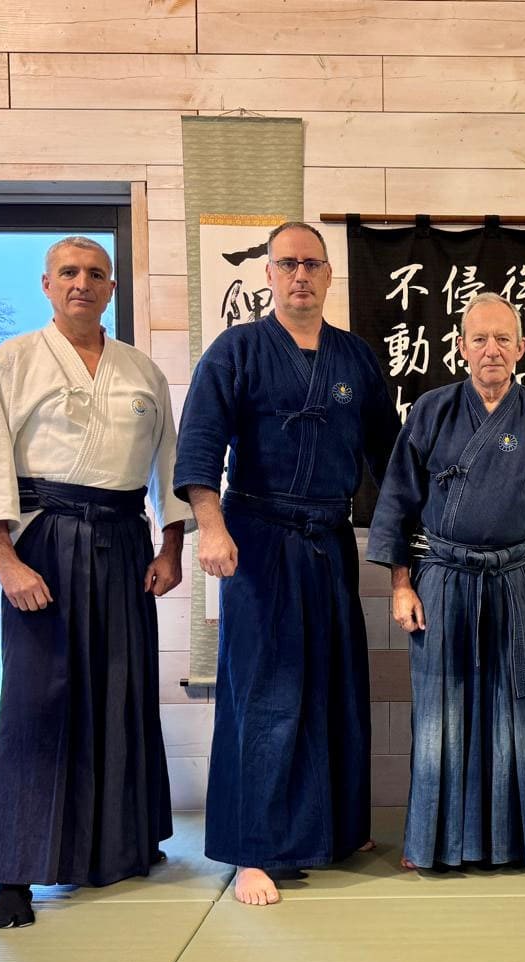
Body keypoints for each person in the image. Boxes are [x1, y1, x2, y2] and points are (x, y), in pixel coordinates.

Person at [0, 236, 190, 928]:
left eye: (95, 274)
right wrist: (4, 561)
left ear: (112, 288)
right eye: (69, 272)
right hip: (45, 538)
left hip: (124, 539)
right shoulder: (13, 360)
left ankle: (124, 843)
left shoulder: (140, 370)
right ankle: (16, 870)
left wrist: (171, 545)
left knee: (123, 689)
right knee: (38, 700)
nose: (82, 283)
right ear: (47, 284)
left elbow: (170, 464)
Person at [174, 221, 399, 906]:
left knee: (335, 684)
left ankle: (334, 830)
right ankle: (253, 850)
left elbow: (390, 460)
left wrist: (408, 548)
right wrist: (211, 529)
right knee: (264, 691)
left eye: (312, 264)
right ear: (268, 275)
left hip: (329, 536)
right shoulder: (237, 350)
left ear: (328, 275)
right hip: (258, 536)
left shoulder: (355, 358)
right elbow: (200, 444)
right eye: (288, 264)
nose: (301, 275)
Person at [368, 292, 525, 877]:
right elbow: (398, 498)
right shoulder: (432, 409)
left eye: (502, 339)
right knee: (439, 712)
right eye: (480, 339)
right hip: (442, 578)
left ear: (521, 348)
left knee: (524, 709)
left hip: (518, 578)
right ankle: (430, 841)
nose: (491, 350)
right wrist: (401, 584)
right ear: (461, 347)